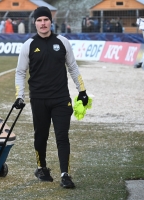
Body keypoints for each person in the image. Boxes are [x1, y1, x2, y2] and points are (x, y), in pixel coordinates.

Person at [13, 6, 88, 189]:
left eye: (46, 19)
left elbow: (73, 68)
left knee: (62, 136)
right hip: (39, 99)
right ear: (35, 23)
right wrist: (19, 96)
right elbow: (20, 72)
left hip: (61, 98)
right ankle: (42, 167)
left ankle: (65, 174)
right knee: (41, 136)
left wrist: (82, 90)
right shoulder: (28, 45)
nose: (43, 23)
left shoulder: (63, 42)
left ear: (51, 22)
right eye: (39, 20)